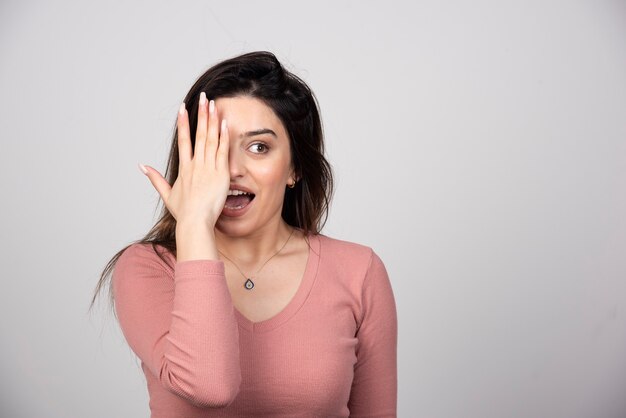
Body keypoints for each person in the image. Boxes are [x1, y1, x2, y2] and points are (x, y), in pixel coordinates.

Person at [90, 51, 397, 417]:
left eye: (258, 147)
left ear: (294, 168)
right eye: (214, 146)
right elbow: (210, 386)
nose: (232, 169)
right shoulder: (147, 269)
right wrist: (193, 225)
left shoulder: (359, 271)